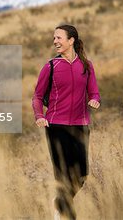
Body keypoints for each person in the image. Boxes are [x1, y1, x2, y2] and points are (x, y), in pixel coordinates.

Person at [32, 24, 101, 220]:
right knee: (62, 175)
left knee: (81, 176)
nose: (55, 41)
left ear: (71, 40)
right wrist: (39, 116)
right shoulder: (51, 66)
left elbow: (94, 91)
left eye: (59, 38)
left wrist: (95, 100)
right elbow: (37, 96)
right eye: (54, 38)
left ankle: (59, 204)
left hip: (81, 125)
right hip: (56, 126)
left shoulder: (86, 66)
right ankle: (67, 215)